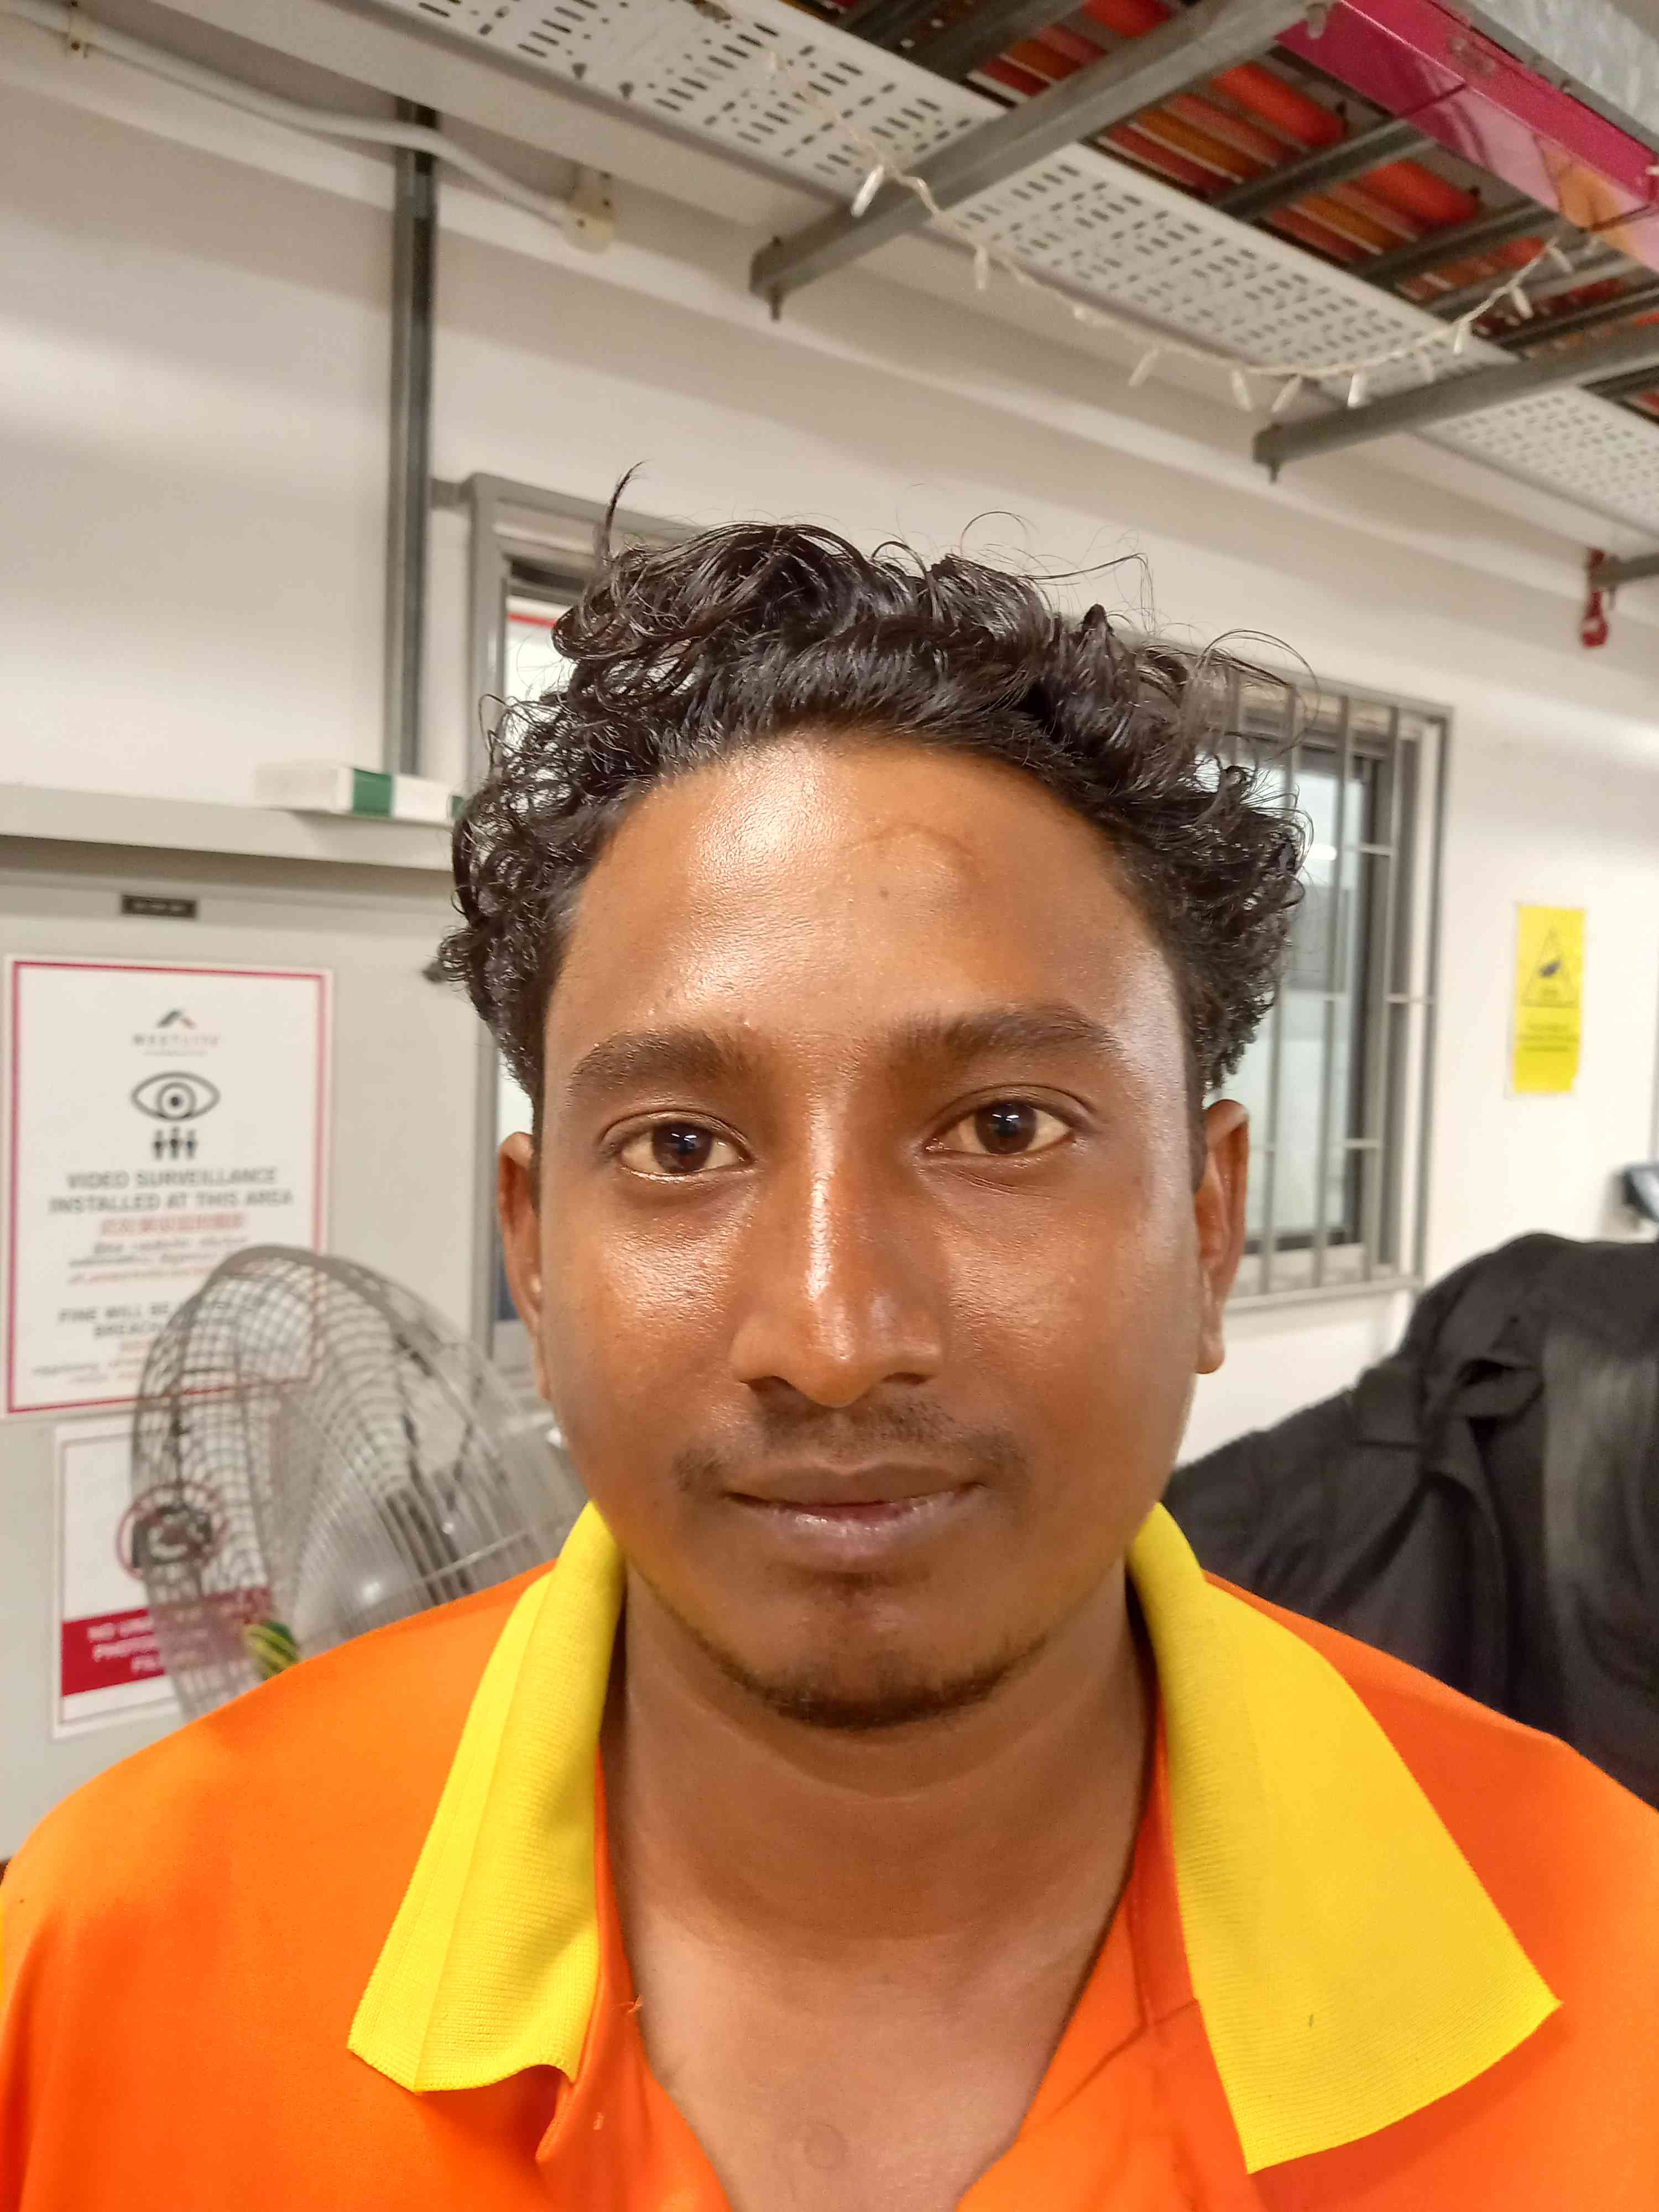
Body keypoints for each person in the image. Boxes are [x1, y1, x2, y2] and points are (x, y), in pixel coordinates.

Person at [2, 521, 1655, 2210]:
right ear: (535, 1257)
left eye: (1004, 1129)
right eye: (679, 1147)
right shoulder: (116, 1953)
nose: (833, 1340)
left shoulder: (1616, 1981)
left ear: (1210, 1222)